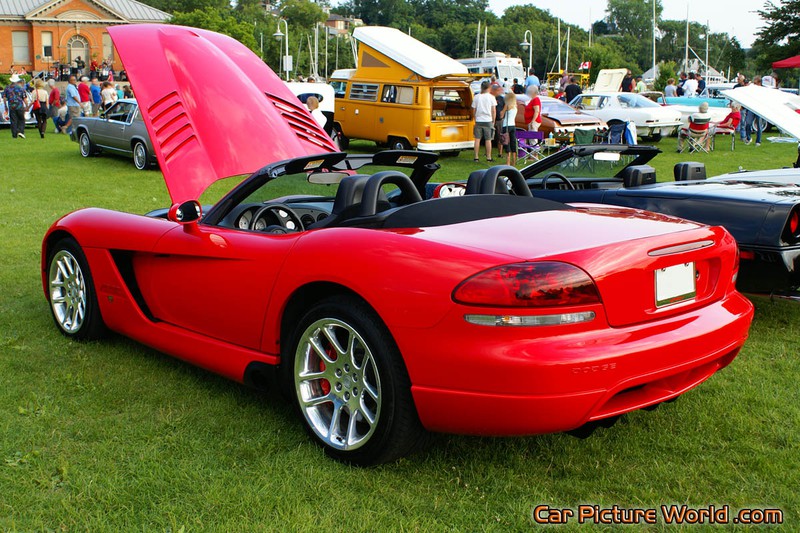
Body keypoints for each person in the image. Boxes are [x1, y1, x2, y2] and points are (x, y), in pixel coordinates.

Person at [471, 80, 496, 162]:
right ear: (489, 88)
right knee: (488, 139)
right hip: (488, 120)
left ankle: (476, 157)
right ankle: (488, 157)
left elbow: (473, 110)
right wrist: (493, 120)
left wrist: (475, 118)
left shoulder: (476, 97)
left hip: (479, 120)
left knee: (477, 139)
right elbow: (493, 110)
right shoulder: (491, 97)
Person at [743, 76, 764, 146]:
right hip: (751, 108)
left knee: (759, 125)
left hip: (759, 109)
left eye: (755, 83)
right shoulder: (751, 89)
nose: (754, 84)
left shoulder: (763, 90)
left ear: (759, 83)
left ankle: (758, 141)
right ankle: (748, 138)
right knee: (748, 123)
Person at [502, 92, 518, 166]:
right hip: (513, 125)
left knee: (507, 142)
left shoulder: (507, 105)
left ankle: (508, 161)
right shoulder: (515, 106)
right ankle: (514, 160)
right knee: (513, 142)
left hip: (506, 125)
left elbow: (501, 114)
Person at [491, 83, 505, 158]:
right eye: (498, 90)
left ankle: (500, 153)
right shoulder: (490, 98)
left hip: (499, 120)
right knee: (490, 137)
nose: (499, 92)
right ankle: (488, 153)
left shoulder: (501, 98)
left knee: (500, 136)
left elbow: (505, 107)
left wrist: (503, 114)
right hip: (491, 119)